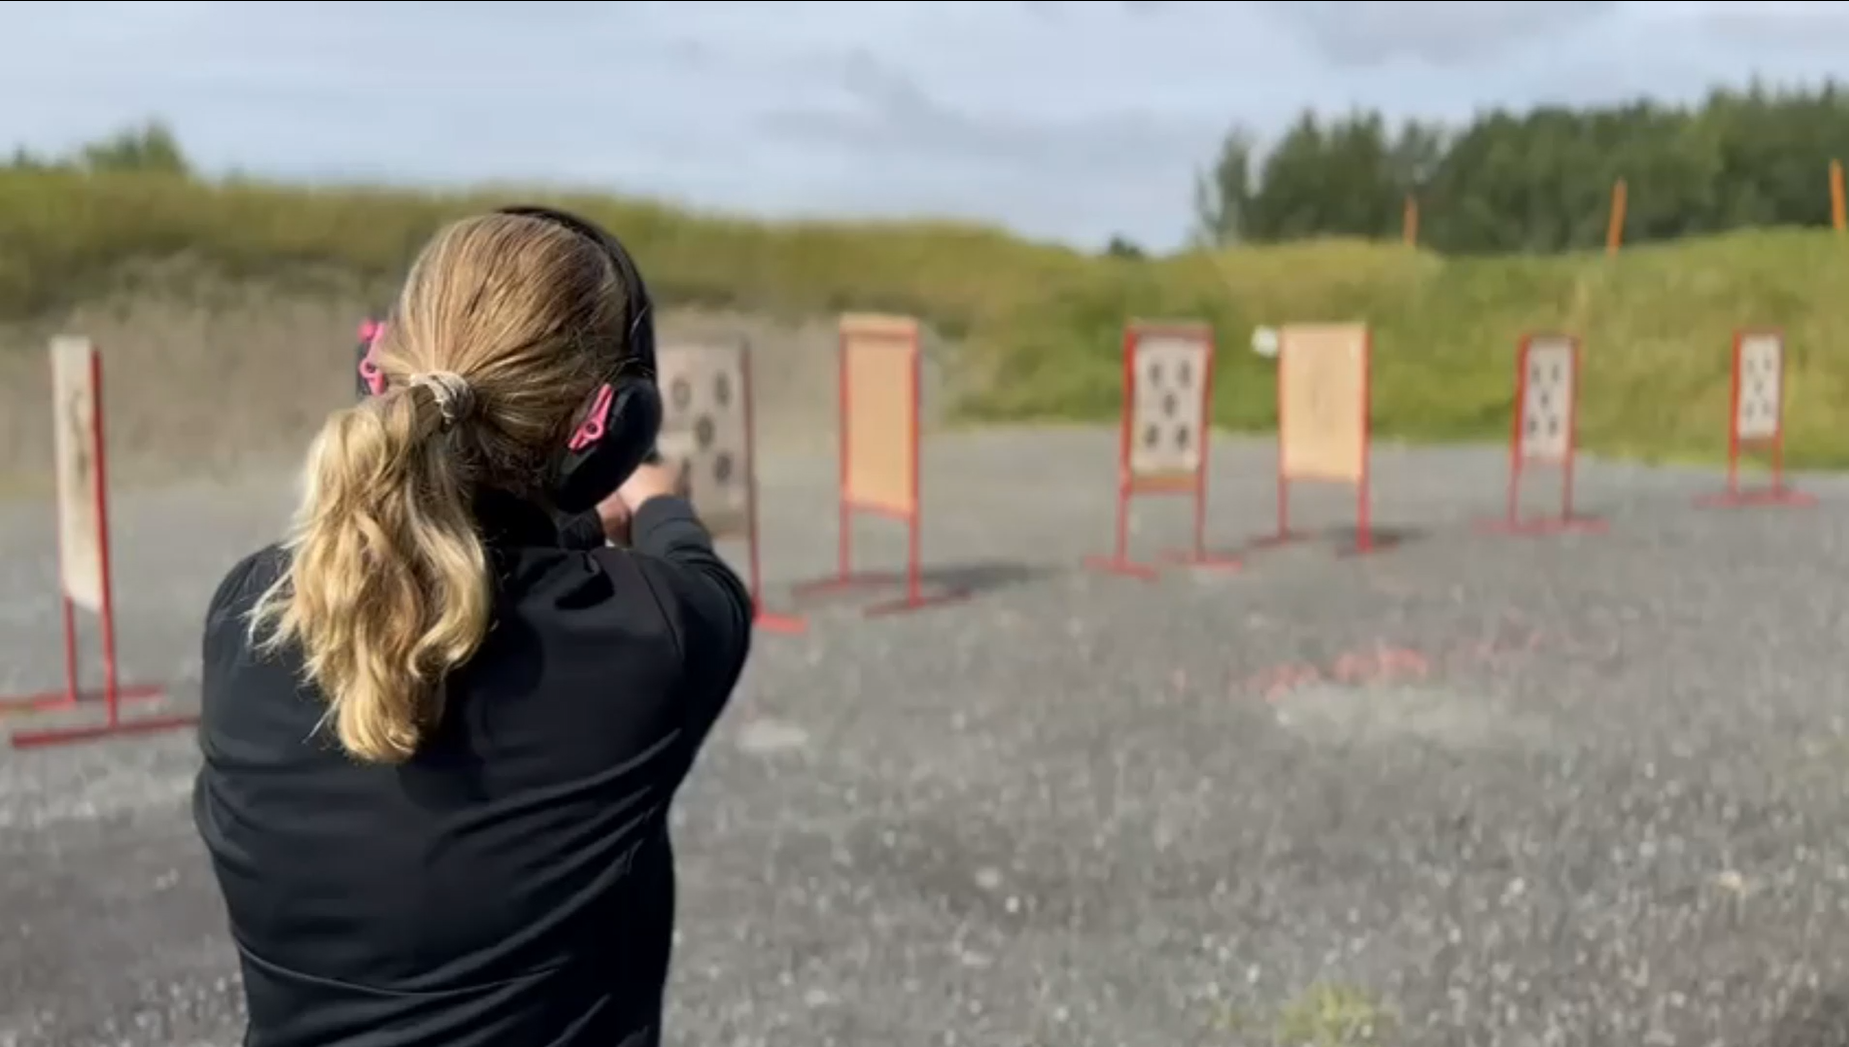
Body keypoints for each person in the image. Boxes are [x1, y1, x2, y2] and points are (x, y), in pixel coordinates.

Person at [192, 208, 754, 1047]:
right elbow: (702, 580)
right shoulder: (654, 638)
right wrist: (656, 498)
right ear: (613, 430)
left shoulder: (250, 616)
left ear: (378, 370)